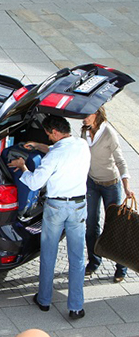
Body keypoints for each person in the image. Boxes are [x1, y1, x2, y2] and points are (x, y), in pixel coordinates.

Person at [8, 115, 90, 320]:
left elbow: (35, 183)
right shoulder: (82, 145)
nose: (48, 138)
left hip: (56, 207)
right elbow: (58, 149)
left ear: (54, 132)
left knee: (49, 253)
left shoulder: (53, 157)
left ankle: (44, 300)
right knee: (78, 257)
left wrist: (23, 166)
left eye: (48, 134)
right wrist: (38, 145)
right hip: (79, 205)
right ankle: (76, 307)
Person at [81, 107, 134, 283]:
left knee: (114, 226)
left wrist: (126, 186)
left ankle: (121, 268)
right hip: (92, 183)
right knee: (91, 224)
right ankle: (94, 261)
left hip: (111, 185)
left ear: (97, 114)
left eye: (87, 115)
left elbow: (120, 161)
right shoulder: (85, 131)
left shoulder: (109, 133)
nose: (84, 119)